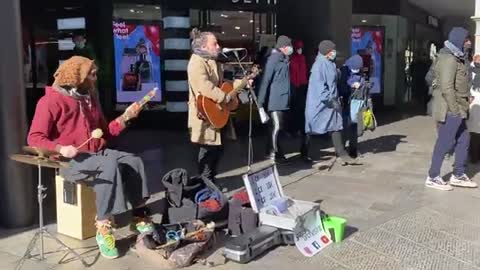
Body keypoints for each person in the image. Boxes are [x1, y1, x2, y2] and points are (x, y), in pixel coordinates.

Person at [27, 56, 153, 259]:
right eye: (91, 74)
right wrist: (60, 148)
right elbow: (34, 138)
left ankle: (138, 216)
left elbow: (104, 132)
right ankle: (103, 228)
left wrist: (125, 117)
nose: (95, 77)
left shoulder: (90, 97)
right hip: (71, 161)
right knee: (108, 164)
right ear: (77, 77)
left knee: (133, 160)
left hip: (97, 153)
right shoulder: (50, 100)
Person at [426, 27, 478, 191]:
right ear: (458, 40)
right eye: (466, 40)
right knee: (444, 142)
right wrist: (455, 110)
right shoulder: (448, 59)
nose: (469, 43)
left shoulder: (458, 58)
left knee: (464, 139)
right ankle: (433, 176)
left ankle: (458, 174)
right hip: (450, 108)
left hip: (459, 108)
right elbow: (447, 87)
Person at [187, 29, 236, 183]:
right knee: (207, 150)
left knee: (217, 150)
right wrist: (224, 97)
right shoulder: (196, 61)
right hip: (205, 115)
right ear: (204, 46)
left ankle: (210, 182)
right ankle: (205, 185)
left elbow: (219, 83)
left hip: (215, 112)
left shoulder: (213, 60)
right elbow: (204, 85)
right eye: (214, 43)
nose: (218, 46)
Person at [304, 40, 358, 165]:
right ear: (326, 52)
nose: (334, 52)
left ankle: (342, 153)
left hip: (332, 100)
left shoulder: (330, 63)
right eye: (332, 50)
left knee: (336, 125)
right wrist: (330, 100)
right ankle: (304, 151)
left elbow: (334, 79)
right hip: (319, 103)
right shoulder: (318, 66)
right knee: (312, 127)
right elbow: (319, 87)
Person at [257, 35, 294, 163]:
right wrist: (260, 102)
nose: (291, 48)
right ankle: (274, 153)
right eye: (289, 46)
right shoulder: (274, 59)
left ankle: (275, 152)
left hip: (283, 99)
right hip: (275, 100)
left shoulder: (284, 59)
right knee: (276, 127)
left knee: (278, 127)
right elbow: (265, 80)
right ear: (283, 47)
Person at [338, 54, 365, 158]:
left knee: (354, 125)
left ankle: (353, 150)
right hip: (345, 102)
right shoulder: (344, 70)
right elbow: (341, 87)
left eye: (358, 69)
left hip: (355, 103)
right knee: (345, 126)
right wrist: (352, 86)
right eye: (355, 68)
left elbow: (363, 81)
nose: (356, 70)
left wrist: (361, 85)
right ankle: (342, 149)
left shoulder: (359, 71)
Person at [289, 40, 309, 139]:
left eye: (301, 48)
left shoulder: (302, 58)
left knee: (301, 110)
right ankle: (294, 129)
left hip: (301, 87)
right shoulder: (292, 59)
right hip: (295, 87)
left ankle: (300, 129)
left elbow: (303, 73)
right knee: (295, 110)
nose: (300, 50)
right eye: (298, 48)